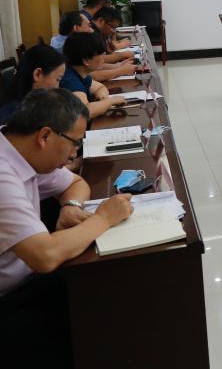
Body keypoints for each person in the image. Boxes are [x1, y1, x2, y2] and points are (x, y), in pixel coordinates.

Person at [0, 89, 133, 367]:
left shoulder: (19, 150)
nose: (74, 155)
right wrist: (103, 218)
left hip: (27, 279)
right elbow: (45, 256)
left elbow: (75, 183)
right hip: (10, 300)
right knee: (100, 318)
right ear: (45, 136)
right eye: (75, 143)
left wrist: (71, 206)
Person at [59, 33, 127, 118]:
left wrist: (102, 99)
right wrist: (110, 101)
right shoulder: (70, 80)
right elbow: (86, 112)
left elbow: (100, 87)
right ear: (86, 61)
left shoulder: (80, 73)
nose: (103, 58)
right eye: (100, 54)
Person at [0, 45, 66, 124]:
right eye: (58, 79)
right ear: (37, 74)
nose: (58, 87)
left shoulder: (30, 103)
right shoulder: (15, 118)